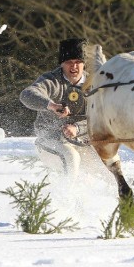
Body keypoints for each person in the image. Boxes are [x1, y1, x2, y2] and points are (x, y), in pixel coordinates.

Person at [20, 38, 89, 177]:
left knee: (109, 167)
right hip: (50, 142)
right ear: (62, 64)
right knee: (71, 158)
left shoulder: (94, 84)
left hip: (82, 141)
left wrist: (77, 128)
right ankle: (64, 198)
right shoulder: (51, 80)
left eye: (77, 62)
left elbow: (100, 117)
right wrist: (51, 105)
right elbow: (26, 95)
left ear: (84, 63)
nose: (74, 66)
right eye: (69, 62)